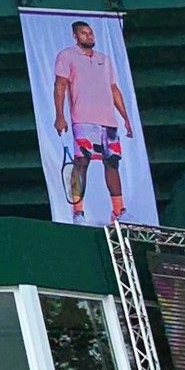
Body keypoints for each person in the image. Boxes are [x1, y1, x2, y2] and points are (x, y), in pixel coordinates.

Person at [52, 20, 136, 224]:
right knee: (81, 163)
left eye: (90, 33)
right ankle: (78, 213)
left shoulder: (104, 60)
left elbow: (114, 89)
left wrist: (125, 118)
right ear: (75, 36)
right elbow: (60, 85)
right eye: (84, 33)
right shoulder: (66, 56)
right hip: (83, 120)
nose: (89, 36)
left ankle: (119, 211)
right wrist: (60, 116)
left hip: (108, 121)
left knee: (112, 162)